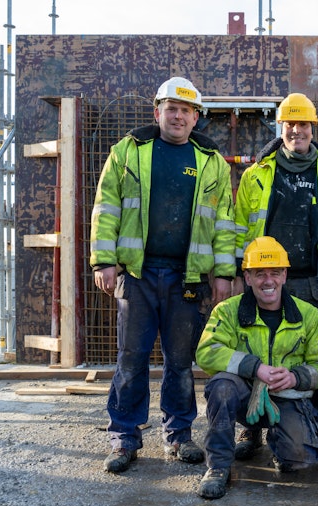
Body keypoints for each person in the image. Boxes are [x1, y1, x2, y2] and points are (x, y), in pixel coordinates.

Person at [90, 77, 236, 473]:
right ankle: (124, 437)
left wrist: (224, 272)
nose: (178, 116)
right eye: (171, 109)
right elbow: (106, 207)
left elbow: (224, 222)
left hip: (187, 278)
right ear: (157, 112)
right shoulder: (128, 151)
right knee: (131, 358)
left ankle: (179, 435)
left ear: (196, 118)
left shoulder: (211, 161)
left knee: (181, 361)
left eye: (186, 111)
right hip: (137, 275)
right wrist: (104, 261)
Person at [233, 92, 318, 459]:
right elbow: (241, 228)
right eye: (290, 124)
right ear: (281, 127)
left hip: (315, 281)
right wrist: (237, 273)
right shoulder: (257, 175)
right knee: (256, 348)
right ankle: (251, 429)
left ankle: (317, 428)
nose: (296, 131)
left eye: (303, 124)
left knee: (316, 355)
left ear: (312, 128)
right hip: (265, 279)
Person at [194, 237, 318, 499]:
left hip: (287, 397)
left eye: (275, 273)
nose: (268, 281)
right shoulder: (227, 311)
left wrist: (295, 377)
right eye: (259, 274)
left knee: (299, 458)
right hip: (244, 396)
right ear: (247, 277)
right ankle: (219, 466)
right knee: (222, 386)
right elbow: (206, 352)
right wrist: (255, 367)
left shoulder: (308, 314)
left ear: (284, 275)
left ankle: (276, 442)